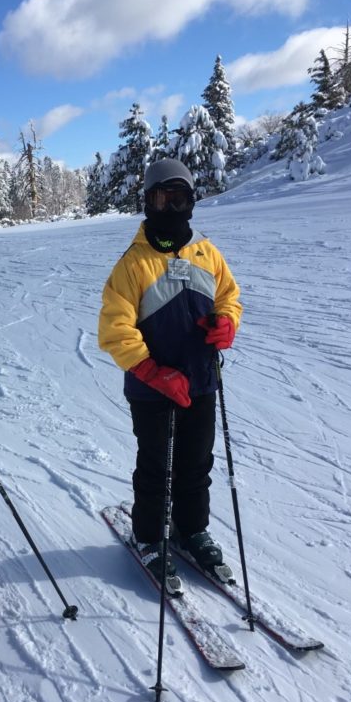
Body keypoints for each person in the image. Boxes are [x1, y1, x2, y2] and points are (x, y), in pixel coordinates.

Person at [98, 158, 242, 589]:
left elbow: (229, 296)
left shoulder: (206, 252)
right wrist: (152, 371)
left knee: (197, 462)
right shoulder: (132, 264)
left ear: (192, 202)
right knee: (156, 464)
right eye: (164, 198)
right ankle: (148, 536)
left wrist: (226, 323)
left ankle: (191, 528)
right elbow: (114, 329)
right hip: (151, 386)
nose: (172, 207)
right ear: (148, 201)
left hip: (200, 379)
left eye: (181, 198)